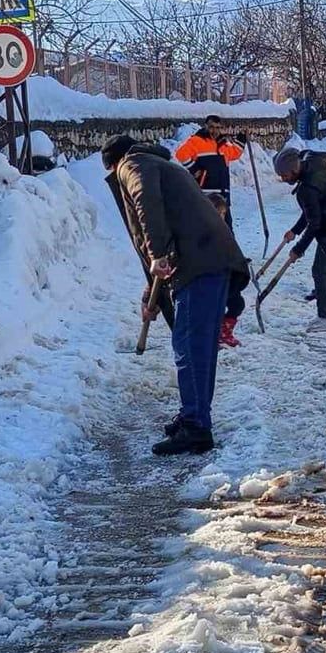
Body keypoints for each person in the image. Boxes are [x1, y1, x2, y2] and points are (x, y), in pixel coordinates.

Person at [103, 135, 250, 455]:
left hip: (199, 263)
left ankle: (196, 427)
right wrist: (152, 295)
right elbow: (161, 232)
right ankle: (194, 416)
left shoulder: (133, 164)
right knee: (198, 347)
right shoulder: (160, 164)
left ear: (114, 165)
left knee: (190, 347)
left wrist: (157, 253)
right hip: (210, 260)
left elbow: (146, 202)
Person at [175, 115, 249, 345]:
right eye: (212, 127)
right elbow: (181, 155)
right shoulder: (197, 141)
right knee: (210, 234)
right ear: (206, 127)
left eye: (218, 127)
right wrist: (196, 169)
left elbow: (234, 154)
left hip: (224, 198)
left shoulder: (223, 145)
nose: (215, 130)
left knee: (228, 232)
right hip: (207, 197)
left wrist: (241, 140)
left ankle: (230, 259)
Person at [274, 147, 326, 332]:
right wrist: (295, 231)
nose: (283, 179)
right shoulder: (315, 159)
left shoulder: (306, 189)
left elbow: (315, 223)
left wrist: (298, 249)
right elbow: (314, 210)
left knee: (320, 271)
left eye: (284, 175)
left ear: (294, 170)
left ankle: (324, 318)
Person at [206, 192, 245, 348]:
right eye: (218, 213)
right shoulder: (203, 232)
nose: (221, 217)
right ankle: (212, 335)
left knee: (237, 304)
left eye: (223, 213)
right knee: (214, 309)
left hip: (226, 278)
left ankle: (224, 332)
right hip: (211, 280)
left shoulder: (225, 232)